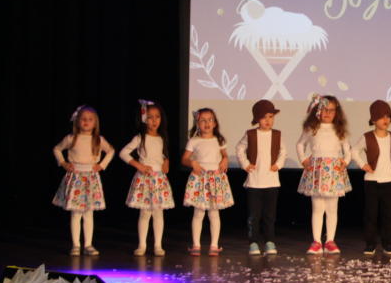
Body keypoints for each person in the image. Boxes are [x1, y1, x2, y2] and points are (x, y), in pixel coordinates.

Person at [51, 105, 115, 256]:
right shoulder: (71, 138)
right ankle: (75, 245)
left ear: (95, 122)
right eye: (83, 119)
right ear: (77, 121)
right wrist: (63, 163)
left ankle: (88, 245)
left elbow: (111, 151)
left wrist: (102, 165)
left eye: (90, 119)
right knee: (76, 214)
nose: (86, 122)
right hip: (76, 178)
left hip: (91, 178)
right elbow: (57, 149)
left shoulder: (98, 139)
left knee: (88, 214)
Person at [296, 94, 352, 255]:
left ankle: (330, 241)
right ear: (318, 110)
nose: (327, 113)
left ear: (336, 112)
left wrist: (345, 161)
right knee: (318, 207)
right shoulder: (311, 128)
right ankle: (316, 242)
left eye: (331, 110)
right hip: (317, 171)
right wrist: (303, 160)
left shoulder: (339, 130)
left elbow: (347, 149)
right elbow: (300, 144)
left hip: (334, 172)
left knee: (332, 208)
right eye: (324, 109)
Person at [119, 99, 174, 256]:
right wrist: (139, 165)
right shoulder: (140, 137)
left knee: (158, 213)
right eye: (150, 117)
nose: (154, 120)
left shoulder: (162, 137)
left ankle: (158, 245)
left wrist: (166, 161)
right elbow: (123, 153)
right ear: (144, 118)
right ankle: (142, 245)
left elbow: (162, 155)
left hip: (159, 180)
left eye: (157, 117)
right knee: (144, 213)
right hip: (145, 179)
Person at [234, 99, 287, 257]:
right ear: (257, 119)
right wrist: (245, 164)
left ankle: (270, 241)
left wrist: (278, 164)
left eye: (271, 117)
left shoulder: (277, 134)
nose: (268, 121)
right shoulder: (250, 134)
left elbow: (283, 151)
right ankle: (253, 242)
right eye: (264, 117)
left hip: (271, 181)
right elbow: (239, 148)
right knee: (254, 215)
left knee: (269, 215)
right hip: (254, 182)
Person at [182, 108, 233, 256]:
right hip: (200, 179)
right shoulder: (194, 141)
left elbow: (224, 155)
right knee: (198, 212)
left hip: (215, 179)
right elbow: (184, 159)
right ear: (197, 123)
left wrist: (225, 159)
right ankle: (196, 245)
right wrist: (192, 163)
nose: (207, 123)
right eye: (203, 120)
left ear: (215, 123)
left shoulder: (219, 140)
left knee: (214, 213)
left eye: (210, 120)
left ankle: (214, 245)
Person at [353, 99, 391, 256]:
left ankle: (388, 243)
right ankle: (370, 244)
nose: (385, 120)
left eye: (387, 116)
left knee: (388, 215)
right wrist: (363, 165)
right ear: (373, 120)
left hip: (389, 182)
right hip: (372, 182)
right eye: (381, 116)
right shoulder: (367, 137)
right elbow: (354, 151)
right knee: (371, 215)